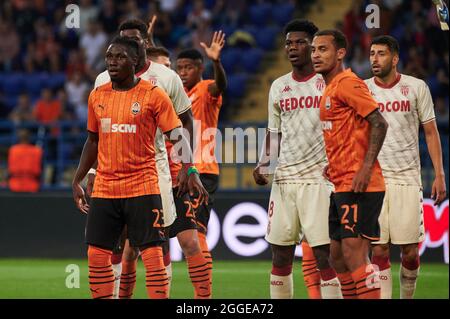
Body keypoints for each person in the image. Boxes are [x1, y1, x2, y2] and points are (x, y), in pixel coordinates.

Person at [72, 36, 207, 299]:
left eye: (120, 57)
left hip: (143, 187)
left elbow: (177, 134)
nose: (112, 62)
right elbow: (92, 140)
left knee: (152, 252)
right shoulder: (97, 95)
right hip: (105, 188)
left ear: (136, 62)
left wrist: (189, 169)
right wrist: (78, 179)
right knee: (96, 253)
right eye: (109, 56)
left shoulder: (154, 95)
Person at [252, 19, 341, 299]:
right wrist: (265, 164)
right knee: (280, 256)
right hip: (285, 181)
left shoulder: (328, 82)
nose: (293, 47)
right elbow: (273, 131)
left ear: (314, 47)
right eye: (289, 42)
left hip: (319, 180)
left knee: (325, 256)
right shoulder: (278, 86)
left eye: (300, 42)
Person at [365, 35, 447, 299]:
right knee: (378, 250)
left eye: (381, 54)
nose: (374, 59)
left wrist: (439, 174)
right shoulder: (362, 89)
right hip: (375, 182)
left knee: (410, 251)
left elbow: (431, 132)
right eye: (372, 54)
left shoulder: (416, 87)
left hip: (408, 180)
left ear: (395, 58)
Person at [312, 29, 389, 299]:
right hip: (341, 182)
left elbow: (379, 122)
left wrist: (366, 168)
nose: (316, 55)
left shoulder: (348, 83)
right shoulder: (330, 88)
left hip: (361, 185)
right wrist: (333, 163)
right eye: (314, 50)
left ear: (340, 53)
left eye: (323, 49)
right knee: (337, 256)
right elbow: (346, 132)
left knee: (355, 255)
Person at [175, 30, 227, 291]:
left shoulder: (205, 89)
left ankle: (203, 298)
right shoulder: (176, 95)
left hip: (201, 170)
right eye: (179, 68)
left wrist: (217, 62)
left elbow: (221, 86)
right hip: (178, 170)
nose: (183, 72)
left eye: (188, 67)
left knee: (196, 233)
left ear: (200, 68)